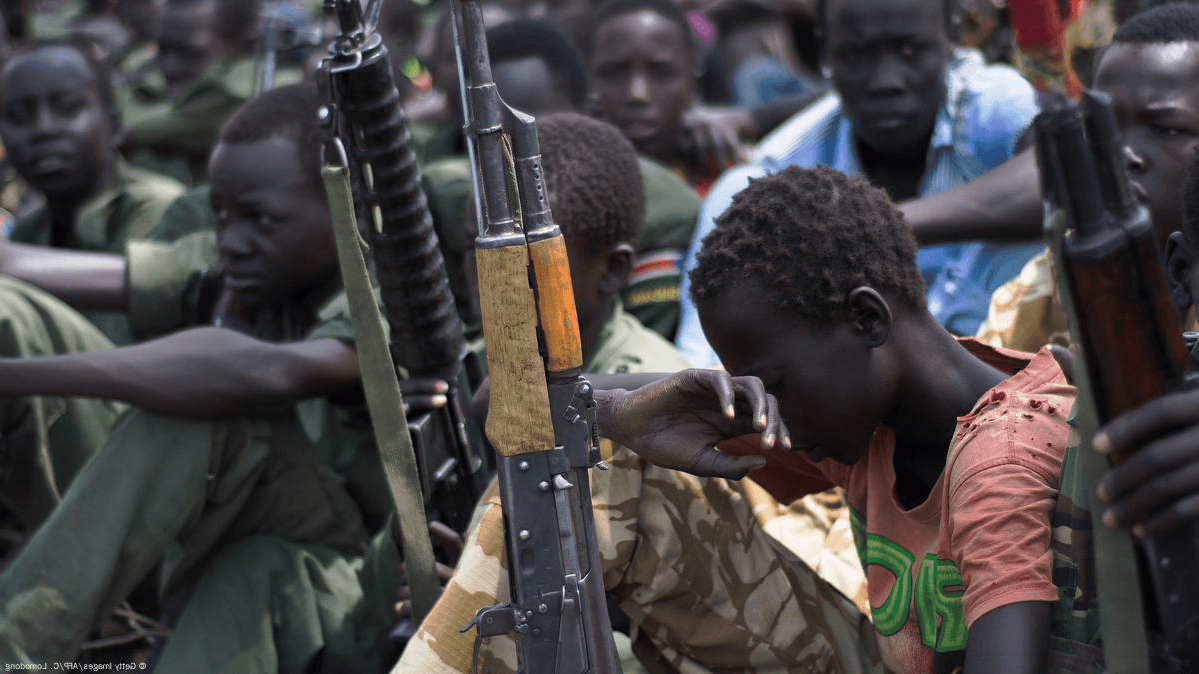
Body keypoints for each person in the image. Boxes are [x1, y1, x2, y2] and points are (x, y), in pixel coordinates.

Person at [397, 113, 868, 674]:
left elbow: (673, 607)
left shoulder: (651, 376)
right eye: (481, 258)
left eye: (524, 268)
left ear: (614, 269)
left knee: (591, 448)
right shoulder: (483, 363)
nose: (492, 288)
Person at [592, 165, 1074, 672]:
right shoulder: (869, 419)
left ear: (867, 318)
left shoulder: (998, 462)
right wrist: (620, 415)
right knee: (615, 465)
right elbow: (520, 398)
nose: (767, 412)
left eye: (772, 386)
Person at [0, 84, 407, 671]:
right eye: (220, 215)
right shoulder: (258, 256)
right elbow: (27, 267)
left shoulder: (378, 291)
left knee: (203, 409)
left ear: (343, 207)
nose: (231, 241)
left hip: (347, 577)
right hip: (243, 542)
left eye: (260, 218)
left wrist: (15, 376)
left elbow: (271, 373)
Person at [675, 0, 1045, 368]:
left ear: (952, 35)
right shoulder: (782, 165)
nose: (886, 81)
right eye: (855, 55)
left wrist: (864, 224)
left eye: (909, 50)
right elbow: (703, 366)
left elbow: (1052, 181)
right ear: (825, 51)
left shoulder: (987, 103)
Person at [976, 3, 1199, 352]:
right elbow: (987, 381)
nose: (1123, 152)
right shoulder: (1057, 281)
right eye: (1100, 129)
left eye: (1165, 129)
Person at [0, 38, 185, 344]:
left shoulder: (161, 209)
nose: (43, 129)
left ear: (113, 125)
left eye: (68, 108)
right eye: (19, 116)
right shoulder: (31, 231)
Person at [121, 0, 302, 184]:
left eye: (192, 54)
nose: (170, 67)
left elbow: (130, 130)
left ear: (239, 41)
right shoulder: (139, 68)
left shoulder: (249, 87)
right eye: (162, 48)